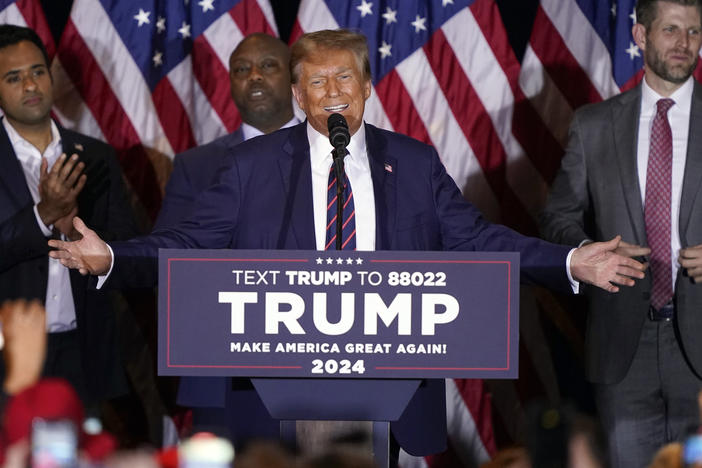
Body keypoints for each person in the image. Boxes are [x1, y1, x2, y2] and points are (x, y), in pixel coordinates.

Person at [48, 29, 646, 456]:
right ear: (301, 96)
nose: (332, 91)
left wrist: (569, 259)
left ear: (365, 87)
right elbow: (189, 244)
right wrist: (113, 257)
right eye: (316, 82)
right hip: (277, 387)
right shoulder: (252, 167)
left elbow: (476, 239)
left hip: (392, 386)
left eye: (344, 78)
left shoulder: (411, 163)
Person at [539, 1, 702, 466]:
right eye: (671, 29)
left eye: (693, 31)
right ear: (640, 36)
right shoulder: (593, 125)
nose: (684, 43)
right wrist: (591, 251)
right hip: (620, 344)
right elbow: (557, 217)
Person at [154, 33, 298, 446]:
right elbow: (167, 263)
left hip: (321, 373)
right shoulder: (196, 167)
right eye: (241, 69)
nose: (253, 76)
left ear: (293, 79)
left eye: (268, 65)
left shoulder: (339, 156)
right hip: (222, 377)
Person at [0, 25, 136, 411]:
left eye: (37, 71)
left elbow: (125, 248)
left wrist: (78, 235)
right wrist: (44, 216)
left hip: (83, 353)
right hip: (8, 356)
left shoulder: (95, 156)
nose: (30, 84)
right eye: (13, 77)